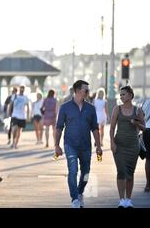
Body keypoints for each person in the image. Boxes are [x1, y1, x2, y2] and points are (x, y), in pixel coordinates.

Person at [54, 80, 102, 208]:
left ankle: (80, 192)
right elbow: (59, 127)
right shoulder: (65, 107)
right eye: (85, 89)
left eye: (88, 89)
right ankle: (75, 199)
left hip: (86, 146)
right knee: (73, 170)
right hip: (70, 145)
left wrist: (99, 146)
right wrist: (56, 145)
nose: (87, 92)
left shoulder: (91, 108)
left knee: (86, 172)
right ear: (77, 90)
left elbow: (95, 128)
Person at [110, 85, 145, 208]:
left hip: (133, 146)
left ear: (130, 95)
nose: (121, 96)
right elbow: (112, 127)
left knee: (130, 173)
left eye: (123, 94)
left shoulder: (137, 110)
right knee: (121, 171)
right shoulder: (117, 109)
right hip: (119, 144)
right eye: (120, 95)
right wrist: (112, 142)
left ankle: (128, 200)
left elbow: (144, 128)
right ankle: (121, 200)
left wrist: (136, 124)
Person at [8, 85, 30, 149]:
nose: (22, 90)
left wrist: (28, 115)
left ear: (24, 89)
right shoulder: (15, 96)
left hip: (22, 116)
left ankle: (16, 144)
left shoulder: (25, 97)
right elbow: (11, 104)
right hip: (15, 115)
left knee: (19, 131)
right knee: (14, 128)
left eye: (23, 88)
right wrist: (9, 112)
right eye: (21, 88)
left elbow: (28, 107)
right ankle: (13, 141)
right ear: (19, 89)